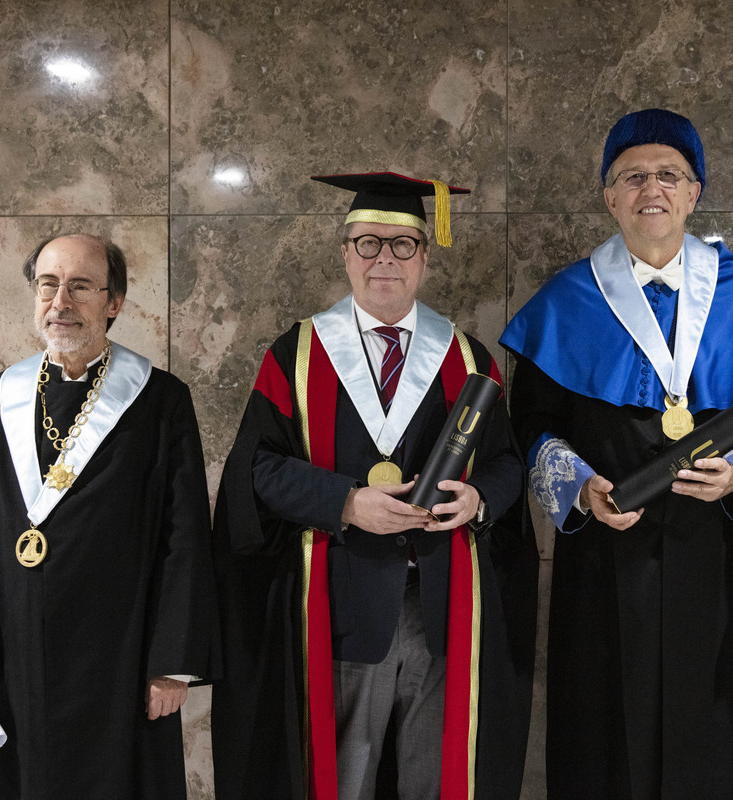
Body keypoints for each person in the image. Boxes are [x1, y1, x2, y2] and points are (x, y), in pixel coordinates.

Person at [211, 172, 537, 800]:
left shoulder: (469, 358)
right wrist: (346, 502)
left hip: (444, 602)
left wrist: (478, 499)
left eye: (402, 244)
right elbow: (258, 470)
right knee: (343, 772)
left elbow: (506, 464)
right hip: (339, 598)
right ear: (344, 253)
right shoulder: (296, 354)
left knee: (432, 772)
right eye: (368, 243)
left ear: (425, 257)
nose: (384, 258)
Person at [500, 109, 733, 799]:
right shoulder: (567, 301)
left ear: (694, 192)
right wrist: (577, 485)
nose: (650, 188)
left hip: (703, 550)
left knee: (703, 730)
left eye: (667, 175)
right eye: (632, 176)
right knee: (600, 736)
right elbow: (529, 424)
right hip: (601, 556)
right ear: (609, 196)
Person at [0, 234, 219, 799]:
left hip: (122, 658)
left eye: (80, 287)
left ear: (114, 302)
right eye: (48, 285)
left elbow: (186, 538)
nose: (60, 302)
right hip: (17, 655)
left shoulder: (161, 401)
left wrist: (173, 662)